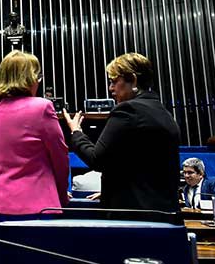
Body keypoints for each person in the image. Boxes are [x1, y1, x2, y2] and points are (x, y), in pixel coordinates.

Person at [65, 52, 180, 214]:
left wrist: (76, 132)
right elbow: (138, 167)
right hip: (164, 213)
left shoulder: (129, 110)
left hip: (135, 216)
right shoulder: (163, 112)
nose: (110, 88)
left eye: (114, 81)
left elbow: (97, 160)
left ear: (132, 79)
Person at [0, 51, 70, 233]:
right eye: (38, 75)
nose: (39, 81)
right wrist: (61, 193)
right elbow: (60, 157)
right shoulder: (42, 107)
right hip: (35, 205)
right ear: (28, 78)